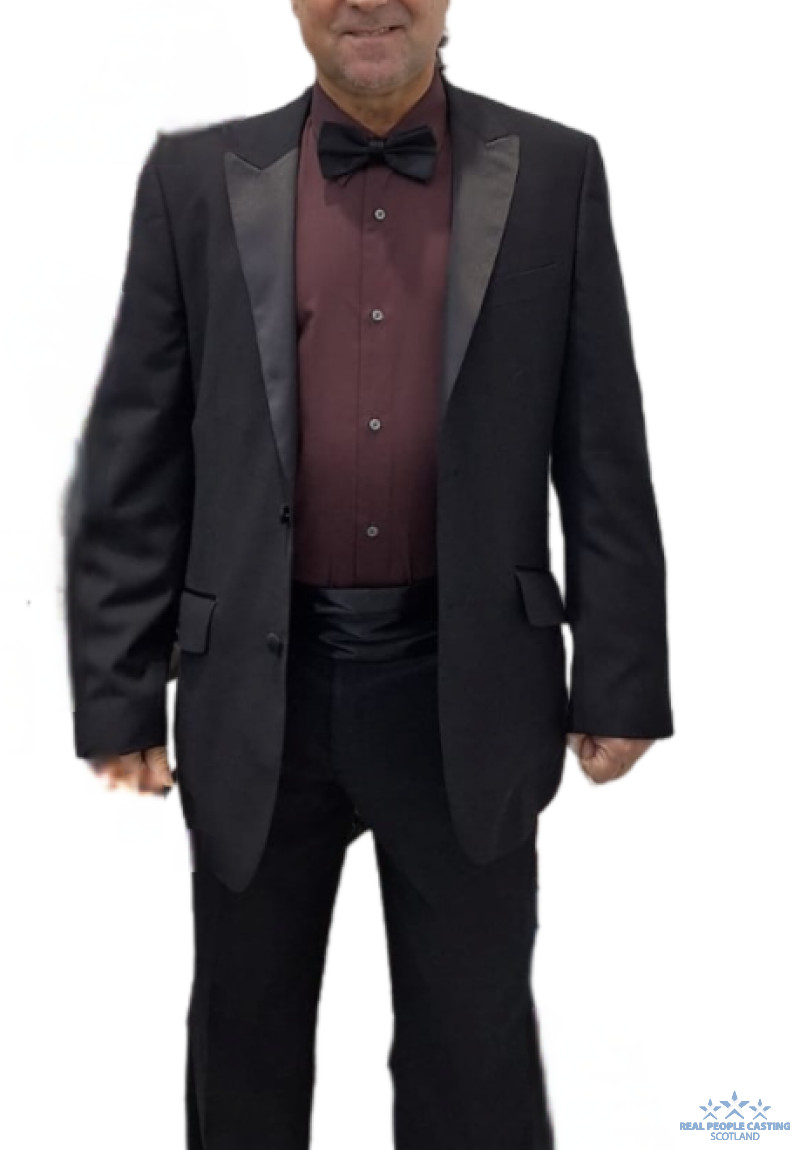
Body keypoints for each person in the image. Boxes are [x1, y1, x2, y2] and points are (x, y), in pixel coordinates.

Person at [63, 1, 675, 1146]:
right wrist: (118, 691)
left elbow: (601, 443)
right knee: (242, 1053)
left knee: (472, 1064)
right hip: (258, 688)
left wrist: (621, 675)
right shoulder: (193, 180)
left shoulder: (554, 172)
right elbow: (136, 452)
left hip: (468, 683)